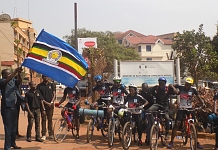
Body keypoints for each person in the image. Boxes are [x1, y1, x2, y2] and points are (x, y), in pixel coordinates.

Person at [167, 77, 205, 149]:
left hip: (190, 108)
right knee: (177, 123)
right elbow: (170, 85)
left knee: (194, 124)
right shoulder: (181, 87)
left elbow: (198, 97)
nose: (187, 85)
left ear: (191, 85)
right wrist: (174, 89)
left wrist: (203, 103)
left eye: (188, 84)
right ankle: (171, 142)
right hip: (181, 109)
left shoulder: (193, 90)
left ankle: (196, 142)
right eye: (186, 84)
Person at [146, 77, 178, 145]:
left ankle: (167, 132)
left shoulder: (167, 89)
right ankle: (153, 124)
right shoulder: (156, 88)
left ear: (165, 83)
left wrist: (172, 87)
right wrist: (150, 93)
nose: (161, 84)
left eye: (162, 83)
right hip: (157, 104)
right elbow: (149, 91)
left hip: (165, 106)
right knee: (149, 111)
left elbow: (176, 93)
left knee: (167, 118)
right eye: (159, 82)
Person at [0, 67, 23, 150]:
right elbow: (6, 81)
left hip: (14, 106)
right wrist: (14, 72)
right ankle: (7, 146)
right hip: (7, 108)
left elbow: (19, 81)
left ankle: (13, 143)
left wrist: (19, 73)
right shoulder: (2, 81)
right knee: (8, 128)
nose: (10, 75)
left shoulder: (13, 81)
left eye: (10, 73)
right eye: (8, 73)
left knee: (14, 128)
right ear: (4, 75)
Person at [36, 75, 56, 141]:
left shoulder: (52, 85)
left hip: (51, 105)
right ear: (42, 78)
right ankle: (44, 134)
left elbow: (54, 94)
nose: (46, 78)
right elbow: (40, 97)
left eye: (47, 76)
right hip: (43, 106)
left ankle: (51, 134)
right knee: (43, 120)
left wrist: (51, 102)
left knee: (50, 120)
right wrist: (46, 103)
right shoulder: (39, 86)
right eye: (44, 77)